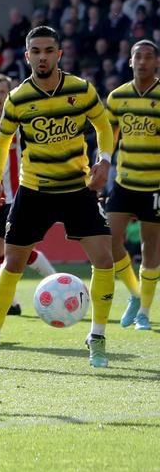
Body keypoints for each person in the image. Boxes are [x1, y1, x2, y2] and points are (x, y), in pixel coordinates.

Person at [0, 25, 115, 370]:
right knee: (12, 264)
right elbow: (2, 140)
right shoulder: (18, 98)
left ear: (59, 54)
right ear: (27, 56)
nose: (42, 57)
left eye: (48, 50)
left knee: (104, 259)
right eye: (36, 51)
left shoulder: (81, 90)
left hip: (78, 189)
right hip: (34, 190)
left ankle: (96, 338)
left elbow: (104, 126)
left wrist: (105, 161)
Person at [0, 73, 56, 315]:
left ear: (9, 94)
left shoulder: (20, 120)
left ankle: (55, 281)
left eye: (3, 92)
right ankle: (10, 303)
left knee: (20, 249)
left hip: (17, 194)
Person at [105, 39, 160, 331]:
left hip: (154, 185)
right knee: (111, 242)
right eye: (137, 56)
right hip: (124, 182)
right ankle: (135, 295)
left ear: (156, 62)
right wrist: (101, 165)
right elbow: (108, 139)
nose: (142, 61)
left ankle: (145, 314)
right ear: (130, 62)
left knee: (151, 247)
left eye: (148, 57)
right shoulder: (116, 97)